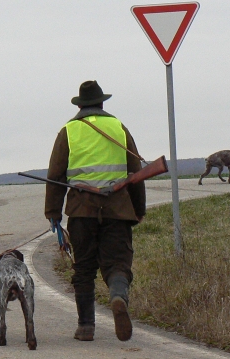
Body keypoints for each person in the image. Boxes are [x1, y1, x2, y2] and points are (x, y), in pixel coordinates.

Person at [45, 80, 146, 342]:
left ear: (80, 105)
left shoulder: (68, 131)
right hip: (118, 209)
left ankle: (86, 327)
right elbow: (136, 173)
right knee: (118, 264)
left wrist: (53, 213)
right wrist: (138, 209)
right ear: (102, 103)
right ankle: (117, 296)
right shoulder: (118, 127)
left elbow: (55, 175)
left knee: (84, 268)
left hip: (82, 211)